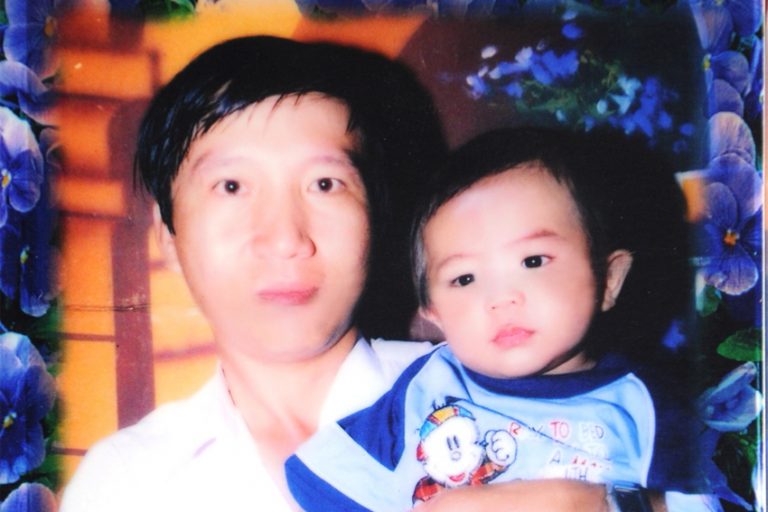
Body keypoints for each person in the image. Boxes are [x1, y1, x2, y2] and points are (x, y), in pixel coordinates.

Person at [286, 127, 720, 512]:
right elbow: (323, 479)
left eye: (532, 260)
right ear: (435, 314)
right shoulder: (426, 386)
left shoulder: (645, 408)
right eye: (464, 278)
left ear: (608, 279)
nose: (501, 298)